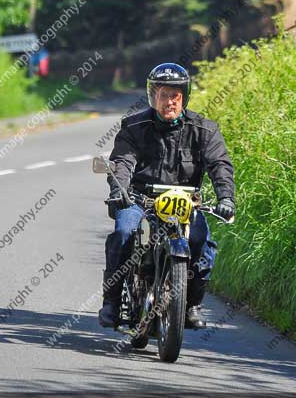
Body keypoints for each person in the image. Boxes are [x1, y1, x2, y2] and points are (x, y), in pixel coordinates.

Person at [98, 62, 235, 330]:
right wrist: (119, 191)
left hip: (186, 203)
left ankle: (191, 304)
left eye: (175, 96)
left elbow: (220, 164)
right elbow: (123, 162)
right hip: (140, 200)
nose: (169, 102)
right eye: (163, 95)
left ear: (184, 97)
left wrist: (226, 198)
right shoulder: (134, 126)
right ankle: (112, 303)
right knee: (124, 234)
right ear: (153, 96)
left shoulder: (204, 129)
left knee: (201, 243)